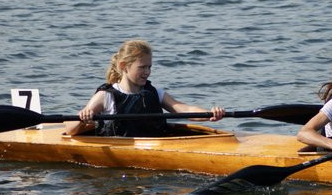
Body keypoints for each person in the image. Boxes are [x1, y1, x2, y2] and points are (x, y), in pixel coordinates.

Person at [65, 40, 225, 137]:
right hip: (123, 148)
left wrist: (209, 114)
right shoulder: (105, 96)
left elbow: (184, 108)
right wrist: (83, 117)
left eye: (149, 67)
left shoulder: (155, 93)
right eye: (142, 67)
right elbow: (71, 130)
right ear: (124, 66)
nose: (147, 72)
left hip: (155, 145)